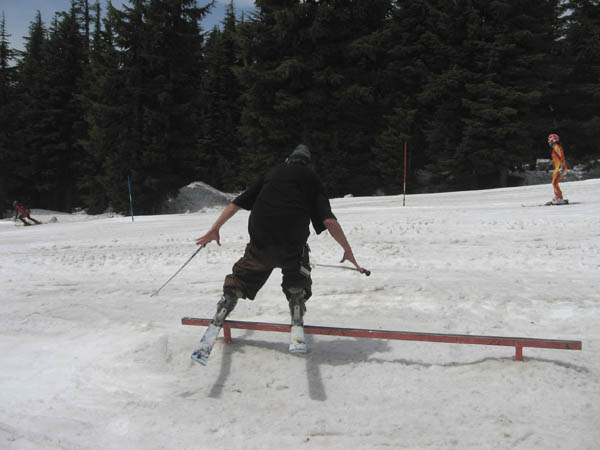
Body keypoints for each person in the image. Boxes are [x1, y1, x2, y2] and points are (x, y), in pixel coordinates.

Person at [195, 144, 364, 329]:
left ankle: (230, 297)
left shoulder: (272, 172)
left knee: (249, 268)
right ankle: (296, 296)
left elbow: (237, 204)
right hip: (292, 239)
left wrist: (215, 229)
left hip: (261, 235)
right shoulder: (312, 178)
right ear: (308, 164)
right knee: (297, 266)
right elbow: (329, 221)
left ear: (288, 159)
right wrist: (347, 250)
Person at [547, 134, 568, 205]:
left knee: (554, 183)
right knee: (554, 183)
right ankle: (558, 196)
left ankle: (559, 197)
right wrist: (550, 164)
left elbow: (561, 156)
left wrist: (562, 166)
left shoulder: (556, 147)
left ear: (553, 140)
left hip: (560, 167)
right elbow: (556, 158)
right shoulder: (555, 147)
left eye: (549, 140)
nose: (549, 141)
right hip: (558, 167)